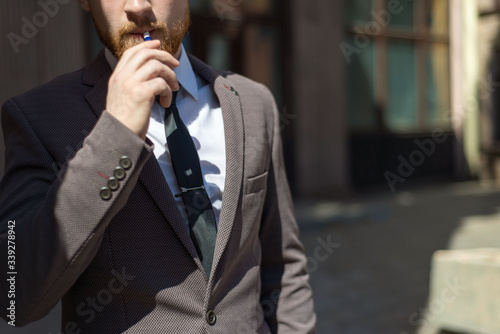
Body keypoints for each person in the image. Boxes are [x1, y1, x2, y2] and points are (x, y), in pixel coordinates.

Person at [0, 0, 316, 332]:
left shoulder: (254, 102)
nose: (137, 6)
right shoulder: (39, 116)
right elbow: (14, 297)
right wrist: (116, 135)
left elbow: (283, 266)